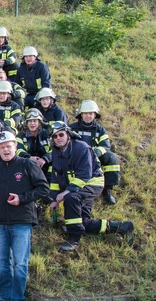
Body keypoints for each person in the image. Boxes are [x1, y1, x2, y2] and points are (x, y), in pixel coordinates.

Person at [0, 130, 50, 301]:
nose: (5, 149)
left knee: (20, 263)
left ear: (15, 146)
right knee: (3, 262)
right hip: (1, 223)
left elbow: (43, 189)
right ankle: (4, 297)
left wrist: (22, 198)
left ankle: (18, 299)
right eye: (1, 147)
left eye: (8, 146)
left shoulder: (27, 165)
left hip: (22, 222)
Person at [48, 122, 134, 253]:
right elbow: (55, 177)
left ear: (68, 135)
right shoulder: (55, 152)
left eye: (61, 134)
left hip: (93, 182)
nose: (58, 138)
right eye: (55, 136)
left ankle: (73, 239)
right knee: (82, 222)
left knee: (71, 198)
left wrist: (66, 192)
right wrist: (54, 198)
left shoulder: (82, 148)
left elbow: (84, 174)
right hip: (77, 185)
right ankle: (122, 227)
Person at [70, 100, 121, 205]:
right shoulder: (72, 128)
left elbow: (105, 146)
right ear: (80, 114)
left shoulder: (100, 130)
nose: (88, 116)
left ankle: (107, 192)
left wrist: (96, 153)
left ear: (95, 115)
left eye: (91, 113)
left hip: (95, 156)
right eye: (85, 113)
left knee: (111, 158)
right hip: (76, 157)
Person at [18, 108, 52, 178]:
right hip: (27, 166)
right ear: (26, 123)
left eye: (34, 121)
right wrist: (29, 157)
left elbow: (54, 150)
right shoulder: (21, 136)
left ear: (39, 122)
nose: (32, 123)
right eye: (29, 121)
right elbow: (18, 150)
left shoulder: (47, 134)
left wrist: (45, 159)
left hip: (46, 167)